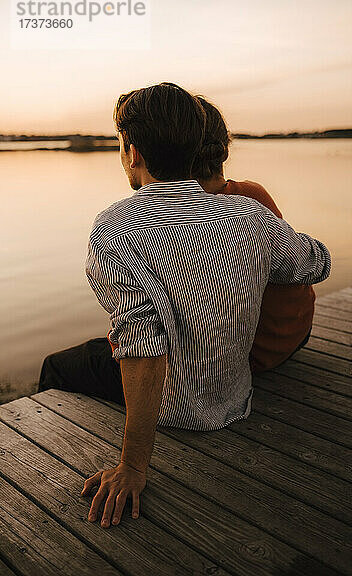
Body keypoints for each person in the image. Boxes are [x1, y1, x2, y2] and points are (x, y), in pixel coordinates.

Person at [38, 82, 331, 528]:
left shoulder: (114, 228)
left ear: (132, 151)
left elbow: (142, 344)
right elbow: (316, 264)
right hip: (236, 403)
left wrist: (134, 466)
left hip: (175, 410)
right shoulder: (249, 217)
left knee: (57, 366)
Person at [191, 97, 316, 372]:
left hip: (249, 357)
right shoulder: (252, 194)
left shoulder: (188, 215)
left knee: (88, 360)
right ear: (224, 149)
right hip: (294, 335)